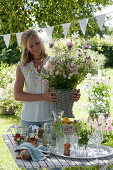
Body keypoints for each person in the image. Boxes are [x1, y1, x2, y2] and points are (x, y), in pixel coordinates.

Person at [14, 29, 81, 170]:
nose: (35, 47)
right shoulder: (22, 67)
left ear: (41, 41)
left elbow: (63, 89)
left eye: (37, 43)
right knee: (29, 163)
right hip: (28, 121)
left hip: (50, 120)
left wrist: (73, 95)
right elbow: (17, 95)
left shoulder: (54, 63)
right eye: (31, 46)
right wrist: (43, 97)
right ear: (26, 48)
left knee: (55, 163)